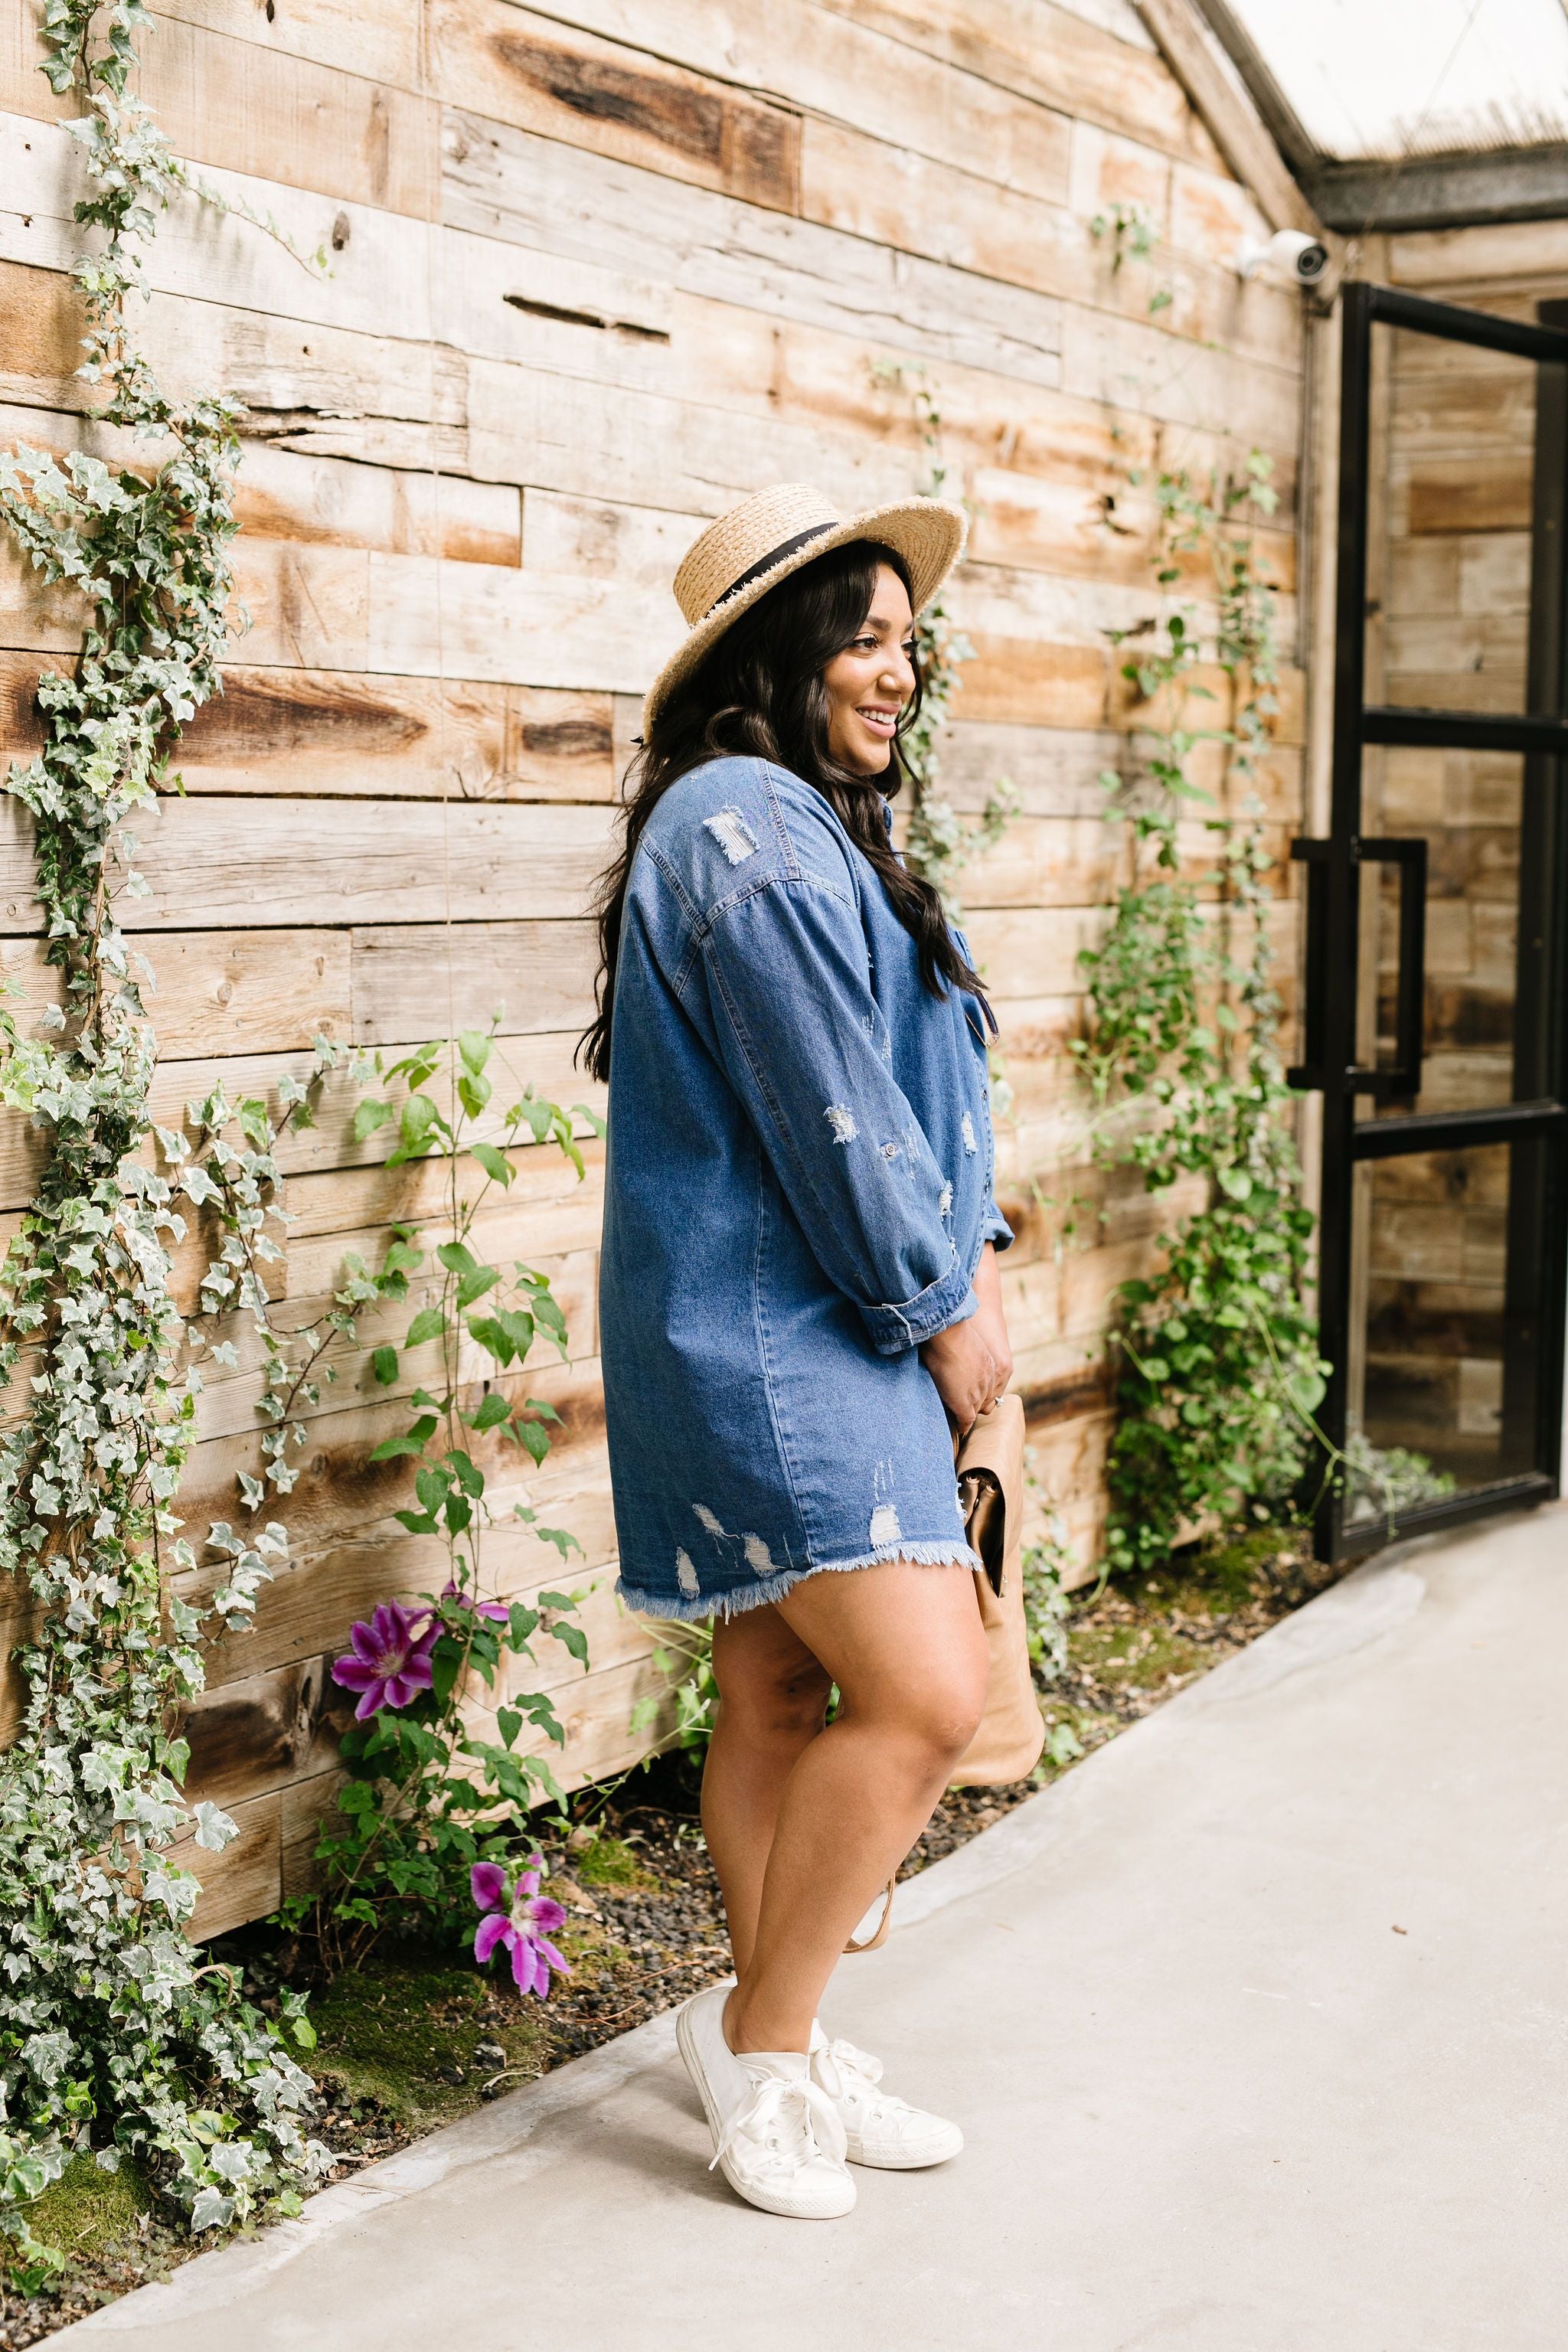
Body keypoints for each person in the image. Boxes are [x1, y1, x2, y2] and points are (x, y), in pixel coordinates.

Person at [583, 482, 1013, 2220]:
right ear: (783, 647)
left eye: (912, 644)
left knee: (775, 1689)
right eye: (869, 638)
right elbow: (836, 1119)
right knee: (925, 1690)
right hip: (787, 1330)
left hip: (802, 1311)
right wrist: (942, 1300)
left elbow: (916, 1094)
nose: (900, 673)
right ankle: (763, 2048)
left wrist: (970, 1252)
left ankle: (782, 2034)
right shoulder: (750, 829)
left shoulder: (804, 827)